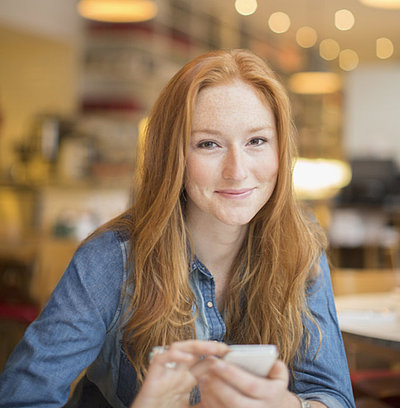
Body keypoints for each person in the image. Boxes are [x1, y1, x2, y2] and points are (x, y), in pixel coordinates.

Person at [0, 49, 356, 408]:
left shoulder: (299, 243)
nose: (237, 170)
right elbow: (23, 399)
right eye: (208, 144)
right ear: (173, 157)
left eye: (257, 141)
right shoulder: (111, 259)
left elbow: (333, 395)